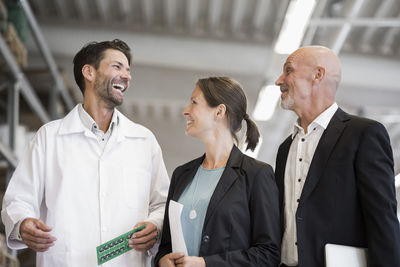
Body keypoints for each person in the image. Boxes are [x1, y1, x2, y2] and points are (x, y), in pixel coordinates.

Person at [1, 39, 170, 266]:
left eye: (128, 70)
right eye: (117, 67)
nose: (127, 76)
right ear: (89, 72)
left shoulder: (144, 140)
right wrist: (22, 224)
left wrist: (156, 226)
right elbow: (18, 199)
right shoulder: (49, 138)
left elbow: (161, 204)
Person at [274, 45, 400, 267]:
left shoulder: (363, 134)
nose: (279, 80)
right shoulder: (286, 148)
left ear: (317, 75)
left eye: (288, 70)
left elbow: (382, 219)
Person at [154, 77, 281, 267]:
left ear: (219, 111)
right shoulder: (182, 175)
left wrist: (206, 264)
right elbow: (166, 245)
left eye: (194, 102)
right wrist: (162, 260)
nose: (185, 111)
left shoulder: (256, 174)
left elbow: (268, 254)